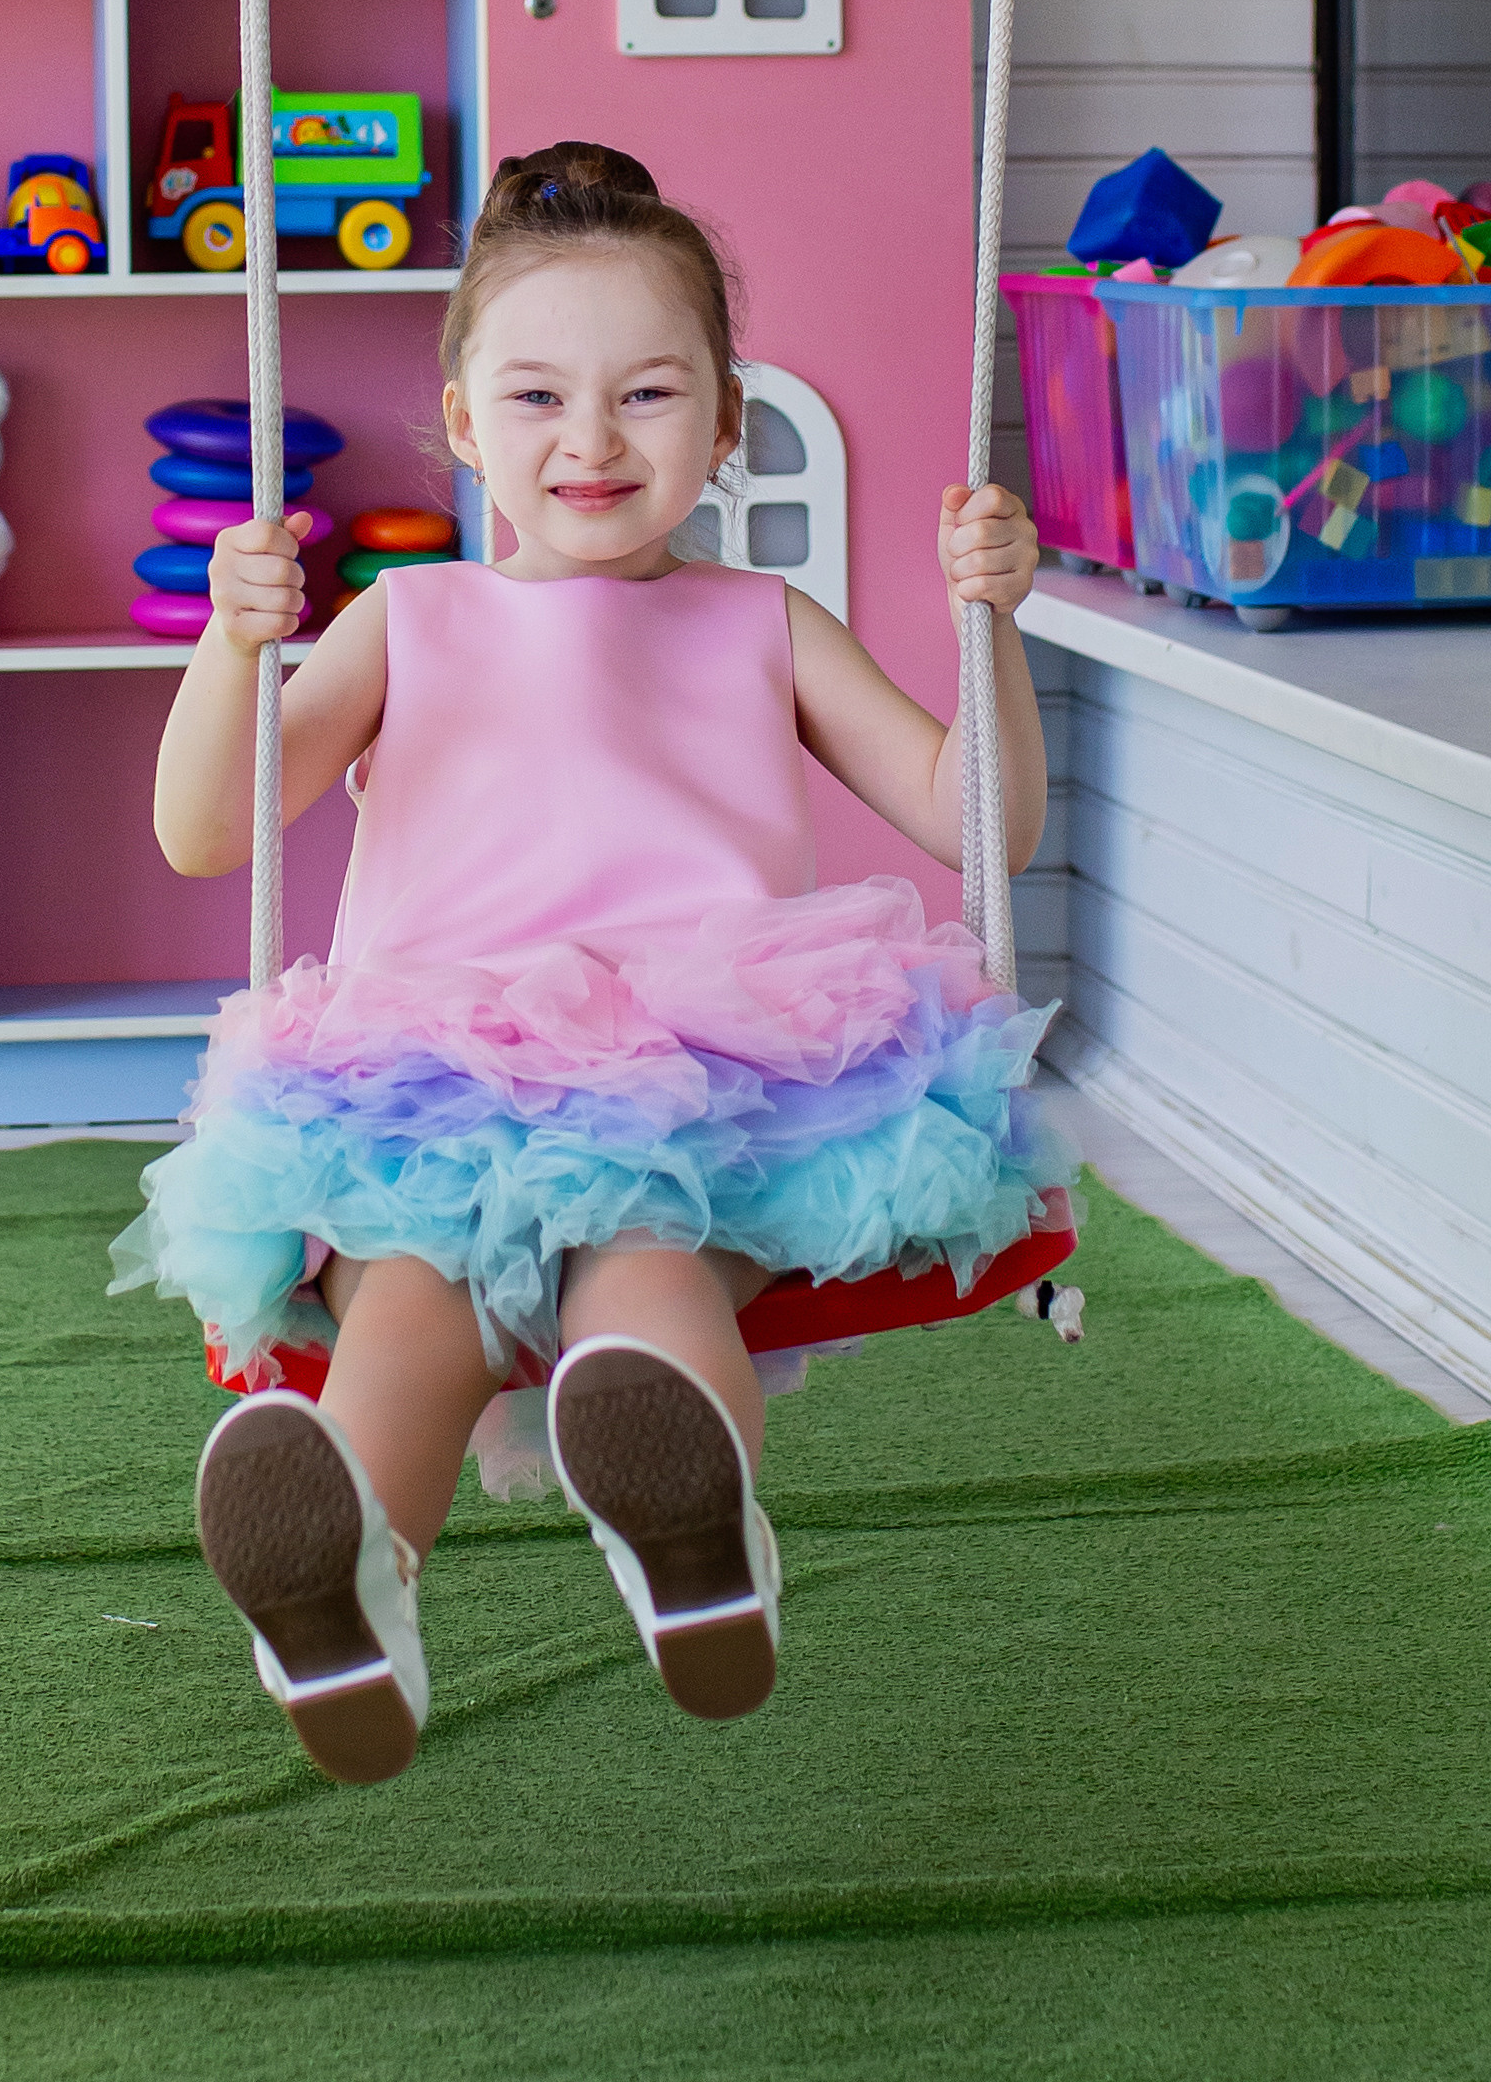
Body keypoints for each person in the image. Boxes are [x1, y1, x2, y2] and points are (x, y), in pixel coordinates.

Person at [113, 140, 1058, 1786]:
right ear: (468, 422)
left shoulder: (764, 620)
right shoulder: (408, 620)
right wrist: (231, 642)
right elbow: (211, 825)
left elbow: (973, 817)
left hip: (715, 1076)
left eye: (647, 395)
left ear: (724, 417)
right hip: (431, 1075)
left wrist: (994, 628)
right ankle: (344, 1585)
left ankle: (693, 1543)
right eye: (540, 398)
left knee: (640, 1280)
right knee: (407, 1303)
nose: (593, 441)